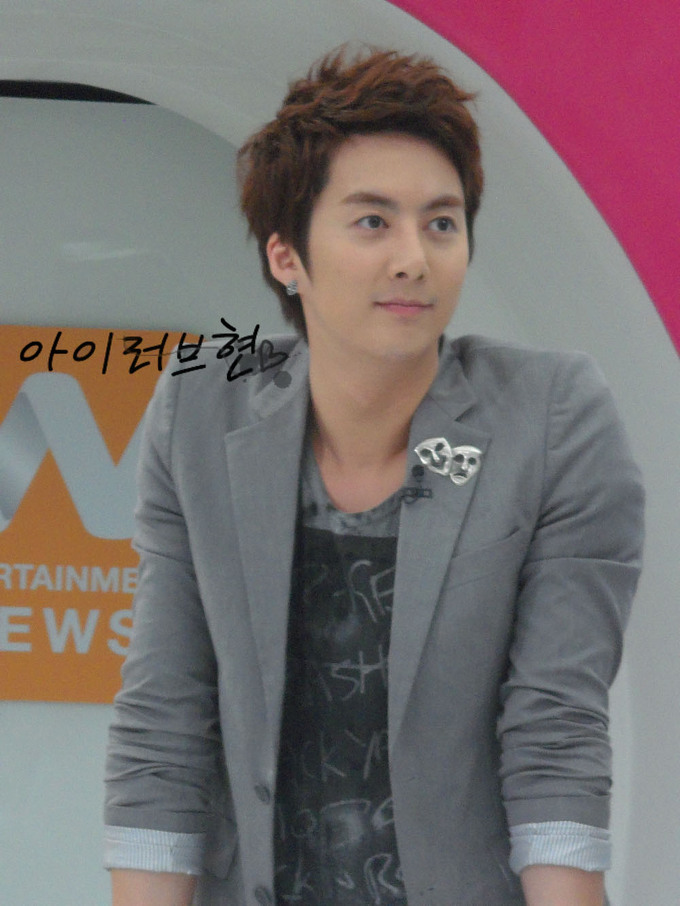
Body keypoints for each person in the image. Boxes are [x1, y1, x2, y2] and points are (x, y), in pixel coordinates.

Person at [104, 47, 644, 906]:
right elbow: (165, 723)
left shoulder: (552, 418)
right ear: (286, 256)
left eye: (441, 223)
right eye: (371, 222)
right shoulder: (201, 409)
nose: (413, 258)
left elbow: (555, 733)